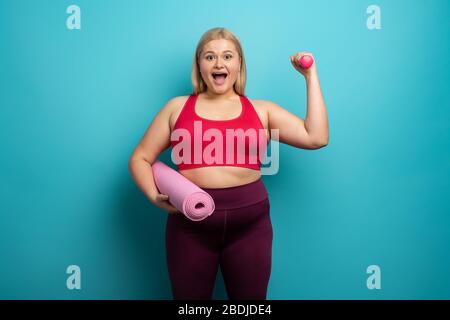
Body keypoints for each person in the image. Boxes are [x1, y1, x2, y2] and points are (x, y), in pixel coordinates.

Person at [128, 27, 329, 300]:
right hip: (190, 226)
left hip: (250, 227)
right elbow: (140, 158)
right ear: (199, 65)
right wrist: (154, 195)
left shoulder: (262, 110)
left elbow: (316, 137)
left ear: (239, 65)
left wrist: (310, 76)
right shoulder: (176, 108)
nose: (219, 63)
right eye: (209, 57)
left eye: (227, 56)